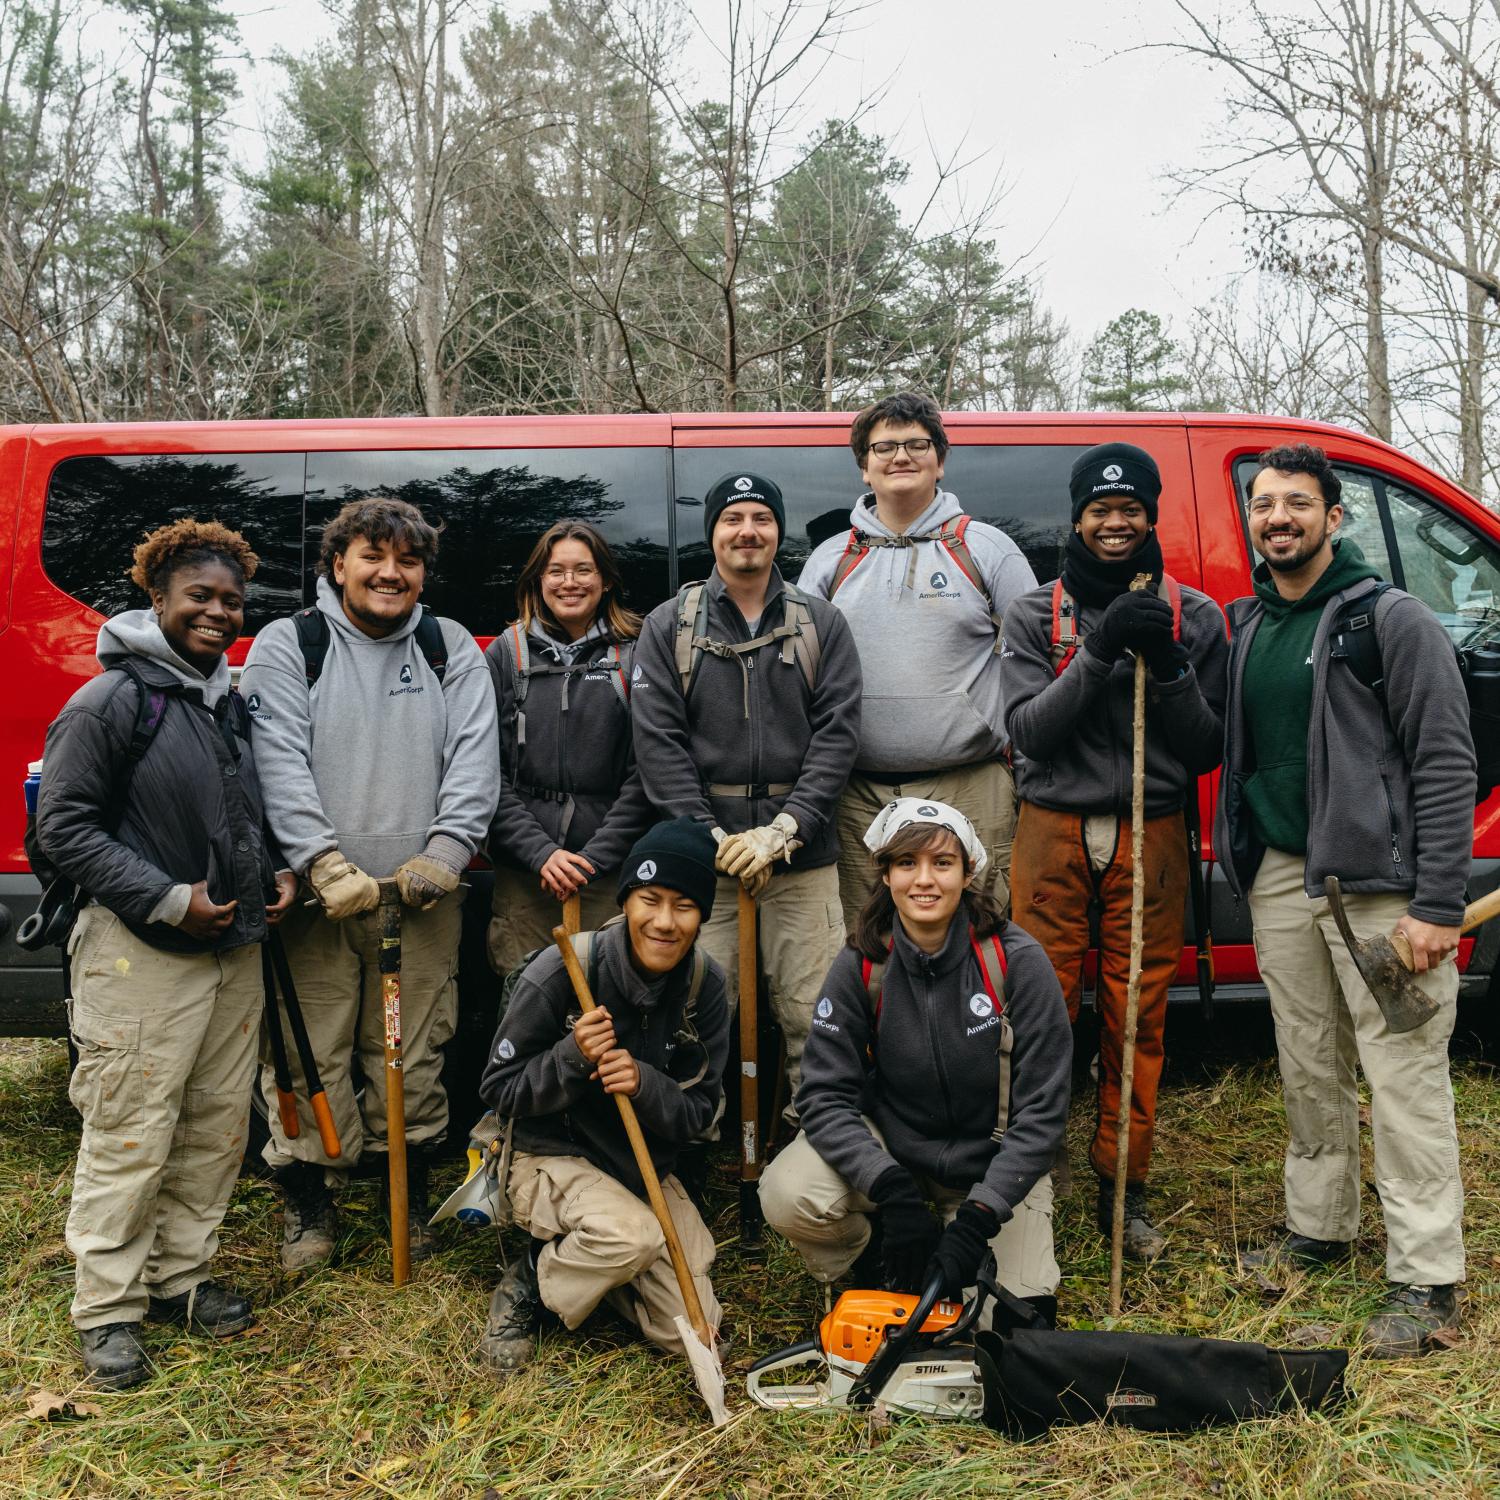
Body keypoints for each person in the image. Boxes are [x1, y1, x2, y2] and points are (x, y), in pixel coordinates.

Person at [1217, 443, 1474, 1358]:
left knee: (1402, 1077)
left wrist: (1439, 902)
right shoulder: (1250, 623)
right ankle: (1319, 1231)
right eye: (1263, 504)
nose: (1277, 517)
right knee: (1307, 1063)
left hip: (1378, 889)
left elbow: (1445, 760)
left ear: (1335, 517)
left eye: (1296, 503)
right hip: (1284, 876)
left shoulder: (1390, 620)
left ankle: (1427, 1277)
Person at [35, 520, 297, 1390]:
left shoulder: (222, 697)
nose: (218, 613)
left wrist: (278, 871)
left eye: (231, 600)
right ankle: (107, 1309)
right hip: (140, 951)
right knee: (130, 1130)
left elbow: (237, 815)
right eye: (200, 597)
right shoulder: (112, 700)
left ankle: (180, 1278)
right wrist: (166, 897)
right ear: (159, 598)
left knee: (215, 1128)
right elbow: (62, 827)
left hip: (232, 953)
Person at [240, 495, 499, 1270]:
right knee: (303, 1052)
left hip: (417, 901)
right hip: (321, 903)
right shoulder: (292, 645)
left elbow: (477, 761)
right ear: (338, 564)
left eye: (408, 561)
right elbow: (276, 760)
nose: (391, 573)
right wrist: (321, 860)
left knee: (412, 1053)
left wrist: (446, 855)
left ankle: (405, 1198)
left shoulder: (450, 647)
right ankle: (310, 1204)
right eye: (373, 557)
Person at [1000, 442, 1228, 1260]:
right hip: (1052, 827)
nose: (1115, 522)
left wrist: (1166, 662)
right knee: (1042, 1011)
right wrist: (1098, 656)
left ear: (1152, 512)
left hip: (1151, 824)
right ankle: (1032, 1181)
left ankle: (1122, 1188)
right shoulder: (1036, 615)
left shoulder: (1195, 616)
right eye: (1100, 508)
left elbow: (1206, 748)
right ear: (1077, 515)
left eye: (1130, 507)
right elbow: (1027, 732)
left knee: (1138, 1014)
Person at [760, 800, 1071, 1315]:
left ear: (968, 873)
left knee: (1009, 1321)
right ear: (885, 874)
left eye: (942, 863)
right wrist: (891, 1187)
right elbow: (823, 1093)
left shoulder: (1016, 961)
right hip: (897, 1154)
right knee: (788, 1192)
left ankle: (959, 1233)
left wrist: (980, 1214)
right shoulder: (862, 964)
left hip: (988, 1166)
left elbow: (1043, 1112)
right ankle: (876, 1258)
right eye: (907, 863)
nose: (923, 880)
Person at [630, 471, 861, 1107]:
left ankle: (819, 1140)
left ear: (778, 531)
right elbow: (659, 745)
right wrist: (711, 839)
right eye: (732, 519)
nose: (747, 531)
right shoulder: (667, 625)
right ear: (712, 534)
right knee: (696, 1010)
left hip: (801, 855)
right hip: (705, 862)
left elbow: (837, 738)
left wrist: (785, 831)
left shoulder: (822, 624)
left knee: (816, 1013)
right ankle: (691, 1136)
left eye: (761, 517)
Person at [477, 818, 730, 1371]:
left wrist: (644, 1083)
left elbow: (698, 1114)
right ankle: (530, 1283)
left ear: (703, 916)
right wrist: (572, 1056)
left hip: (638, 1170)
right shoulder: (566, 968)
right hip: (551, 1154)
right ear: (626, 901)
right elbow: (500, 1091)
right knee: (632, 1238)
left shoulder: (704, 988)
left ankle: (602, 1268)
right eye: (650, 899)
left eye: (684, 906)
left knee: (695, 1339)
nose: (664, 922)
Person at [799, 391, 1038, 926]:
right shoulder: (829, 560)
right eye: (884, 446)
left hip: (972, 784)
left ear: (940, 459)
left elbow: (1032, 667)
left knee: (976, 936)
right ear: (864, 467)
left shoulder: (988, 550)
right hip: (857, 793)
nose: (900, 456)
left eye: (916, 444)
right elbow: (800, 675)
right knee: (870, 942)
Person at [484, 522, 651, 975]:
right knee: (525, 1009)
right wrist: (540, 853)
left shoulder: (636, 652)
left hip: (609, 875)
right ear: (538, 579)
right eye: (556, 570)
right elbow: (484, 770)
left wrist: (594, 859)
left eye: (584, 570)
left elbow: (648, 770)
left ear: (607, 580)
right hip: (527, 878)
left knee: (605, 1010)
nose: (570, 582)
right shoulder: (507, 654)